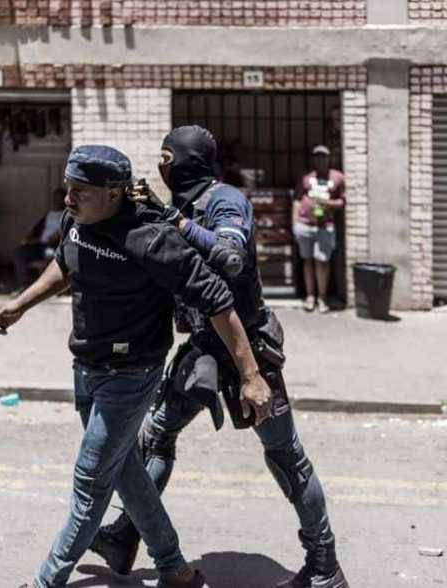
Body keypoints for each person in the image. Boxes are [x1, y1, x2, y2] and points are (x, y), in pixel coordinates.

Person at [0, 144, 273, 588]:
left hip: (131, 375)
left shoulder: (152, 239)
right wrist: (20, 306)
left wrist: (252, 376)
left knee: (91, 480)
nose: (68, 200)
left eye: (80, 191)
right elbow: (65, 264)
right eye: (68, 189)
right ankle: (174, 568)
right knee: (124, 469)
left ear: (115, 192)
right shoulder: (77, 222)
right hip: (85, 366)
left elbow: (219, 302)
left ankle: (47, 581)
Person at [91, 126, 347, 588]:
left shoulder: (226, 200)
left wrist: (174, 219)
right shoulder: (183, 205)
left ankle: (324, 566)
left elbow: (230, 258)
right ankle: (125, 533)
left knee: (286, 457)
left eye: (167, 156)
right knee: (155, 437)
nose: (162, 165)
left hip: (247, 347)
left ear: (188, 160)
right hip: (205, 349)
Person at [292, 145, 346, 312]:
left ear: (329, 158)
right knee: (307, 261)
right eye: (317, 156)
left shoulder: (337, 177)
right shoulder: (306, 178)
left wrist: (327, 203)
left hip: (325, 226)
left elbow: (342, 202)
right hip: (305, 225)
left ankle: (322, 298)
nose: (320, 159)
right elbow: (297, 200)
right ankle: (310, 296)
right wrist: (295, 223)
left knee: (322, 261)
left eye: (323, 156)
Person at [11, 187, 66, 294]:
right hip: (40, 244)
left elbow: (56, 237)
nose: (56, 200)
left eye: (59, 198)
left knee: (50, 255)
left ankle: (52, 288)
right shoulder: (49, 214)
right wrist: (28, 238)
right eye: (54, 197)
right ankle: (24, 285)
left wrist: (42, 240)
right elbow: (36, 229)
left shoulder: (67, 215)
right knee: (19, 252)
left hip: (53, 246)